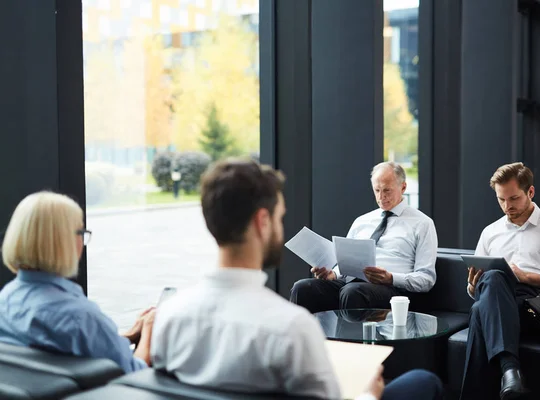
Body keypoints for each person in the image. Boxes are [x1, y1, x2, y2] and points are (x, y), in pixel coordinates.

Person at [151, 159, 443, 400]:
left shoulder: (169, 316)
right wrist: (368, 394)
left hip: (387, 289)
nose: (381, 195)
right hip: (349, 302)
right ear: (262, 223)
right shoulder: (290, 327)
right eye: (280, 217)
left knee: (349, 291)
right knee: (424, 382)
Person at [460, 162, 540, 400]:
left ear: (531, 192)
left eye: (514, 198)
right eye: (501, 200)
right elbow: (476, 292)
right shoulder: (490, 232)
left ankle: (503, 374)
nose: (508, 207)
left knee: (480, 308)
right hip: (500, 302)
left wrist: (526, 276)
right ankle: (510, 375)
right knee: (486, 292)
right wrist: (473, 285)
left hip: (539, 307)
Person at [0, 191, 155, 373]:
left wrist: (127, 336)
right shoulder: (78, 317)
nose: (82, 239)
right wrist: (150, 330)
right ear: (63, 241)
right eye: (80, 232)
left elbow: (54, 347)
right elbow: (134, 372)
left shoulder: (7, 300)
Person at [290, 161, 438, 313]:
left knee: (353, 292)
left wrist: (391, 277)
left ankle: (344, 338)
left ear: (403, 187)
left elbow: (426, 279)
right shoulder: (362, 221)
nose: (381, 197)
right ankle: (301, 337)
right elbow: (345, 262)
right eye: (377, 190)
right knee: (303, 288)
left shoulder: (422, 223)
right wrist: (333, 274)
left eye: (387, 190)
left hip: (392, 289)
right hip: (351, 284)